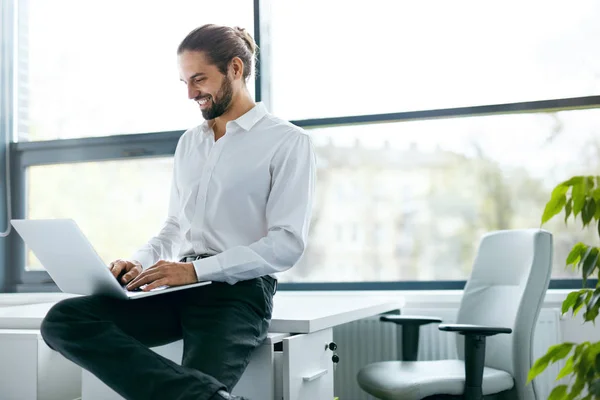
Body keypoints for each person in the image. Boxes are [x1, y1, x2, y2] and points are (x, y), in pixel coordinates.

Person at [40, 24, 316, 400]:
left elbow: (286, 245)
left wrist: (194, 270)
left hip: (236, 294)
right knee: (64, 320)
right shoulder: (191, 142)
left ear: (235, 69)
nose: (190, 93)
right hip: (178, 288)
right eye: (184, 81)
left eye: (199, 79)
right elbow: (173, 227)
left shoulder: (287, 141)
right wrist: (138, 263)